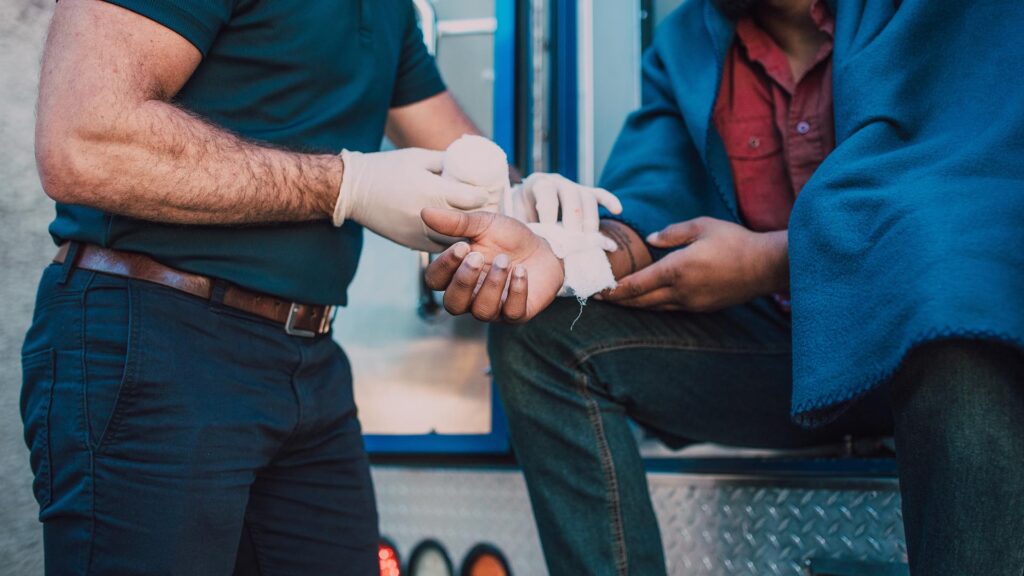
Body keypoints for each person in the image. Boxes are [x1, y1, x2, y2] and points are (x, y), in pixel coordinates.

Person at [422, 0, 1024, 575]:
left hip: (927, 343)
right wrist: (565, 253)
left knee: (961, 328)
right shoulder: (685, 45)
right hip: (790, 366)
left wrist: (768, 262)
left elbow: (970, 198)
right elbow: (648, 214)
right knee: (543, 338)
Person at [19, 0, 618, 574]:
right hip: (155, 339)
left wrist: (524, 205)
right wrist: (344, 186)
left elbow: (459, 160)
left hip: (308, 362)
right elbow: (82, 140)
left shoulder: (388, 11)